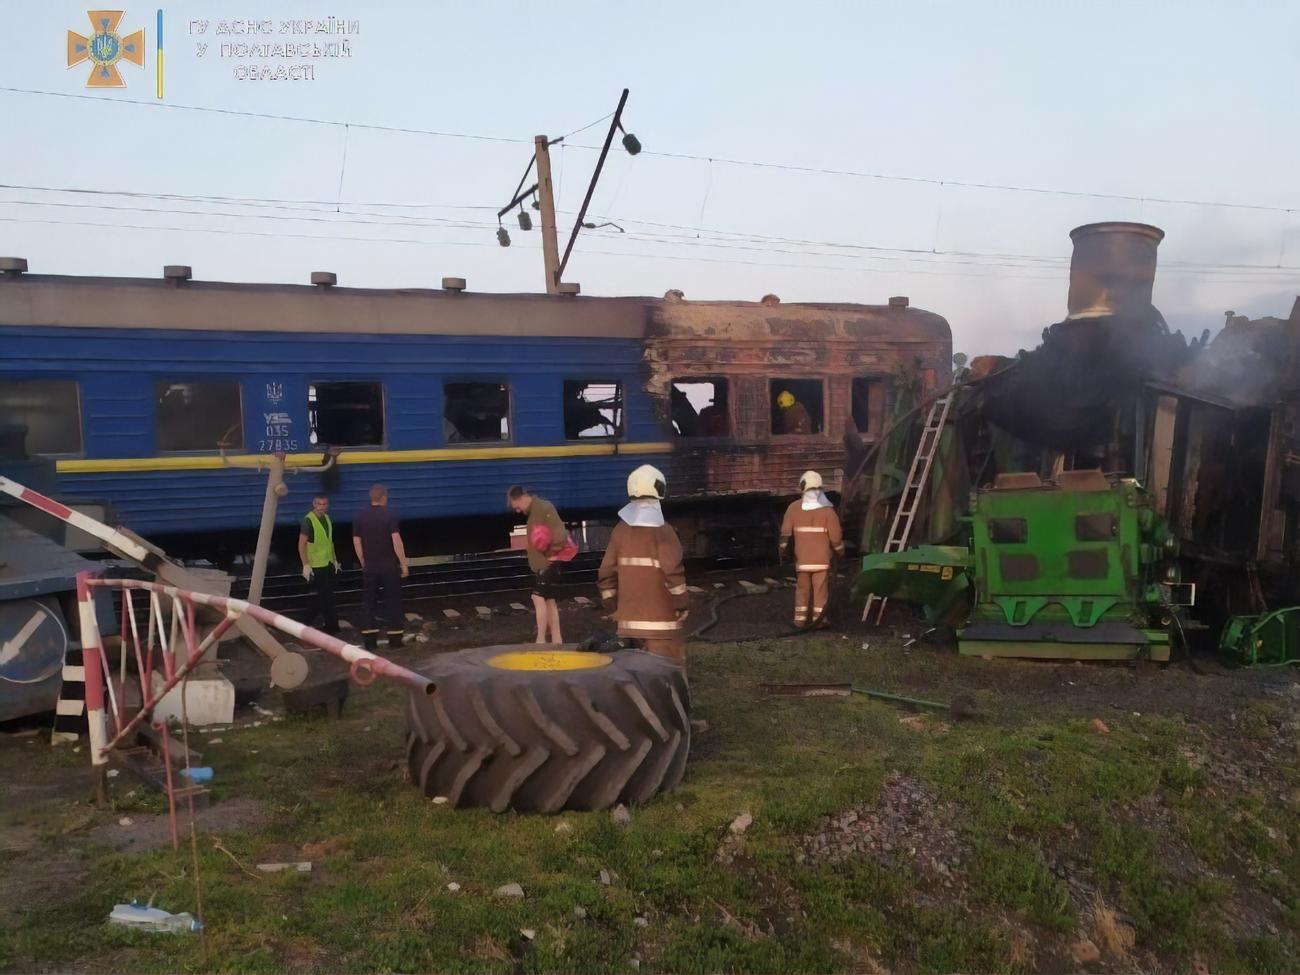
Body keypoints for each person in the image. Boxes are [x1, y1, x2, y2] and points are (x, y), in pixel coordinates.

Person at [597, 465, 689, 664]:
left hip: (628, 628)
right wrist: (682, 604)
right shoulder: (664, 531)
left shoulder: (620, 530)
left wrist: (612, 606)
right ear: (660, 491)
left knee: (635, 681)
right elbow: (673, 573)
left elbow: (605, 574)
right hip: (662, 627)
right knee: (666, 678)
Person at [779, 470, 844, 628]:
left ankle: (799, 621)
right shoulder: (828, 510)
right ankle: (819, 621)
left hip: (802, 560)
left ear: (802, 486)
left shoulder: (793, 508)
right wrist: (840, 551)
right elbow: (836, 537)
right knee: (820, 590)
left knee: (802, 590)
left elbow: (785, 535)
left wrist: (783, 553)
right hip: (821, 560)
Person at [507, 485, 568, 644]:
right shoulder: (535, 511)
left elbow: (560, 532)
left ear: (520, 498)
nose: (517, 511)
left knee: (537, 597)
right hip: (544, 565)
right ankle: (557, 640)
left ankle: (540, 640)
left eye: (517, 506)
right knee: (549, 601)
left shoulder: (543, 508)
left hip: (549, 564)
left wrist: (552, 553)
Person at [352, 483, 409, 650]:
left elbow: (356, 541)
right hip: (389, 567)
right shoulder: (389, 515)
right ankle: (395, 641)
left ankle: (370, 642)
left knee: (369, 603)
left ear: (371, 497)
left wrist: (363, 560)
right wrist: (404, 565)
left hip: (370, 566)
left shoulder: (360, 516)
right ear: (384, 497)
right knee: (393, 602)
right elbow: (396, 540)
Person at [297, 494, 340, 635]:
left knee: (326, 596)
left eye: (324, 504)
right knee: (325, 596)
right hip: (316, 564)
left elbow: (330, 541)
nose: (322, 507)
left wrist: (334, 560)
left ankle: (329, 625)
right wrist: (305, 565)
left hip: (327, 563)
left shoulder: (327, 519)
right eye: (319, 504)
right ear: (314, 504)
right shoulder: (308, 520)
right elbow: (301, 544)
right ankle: (328, 626)